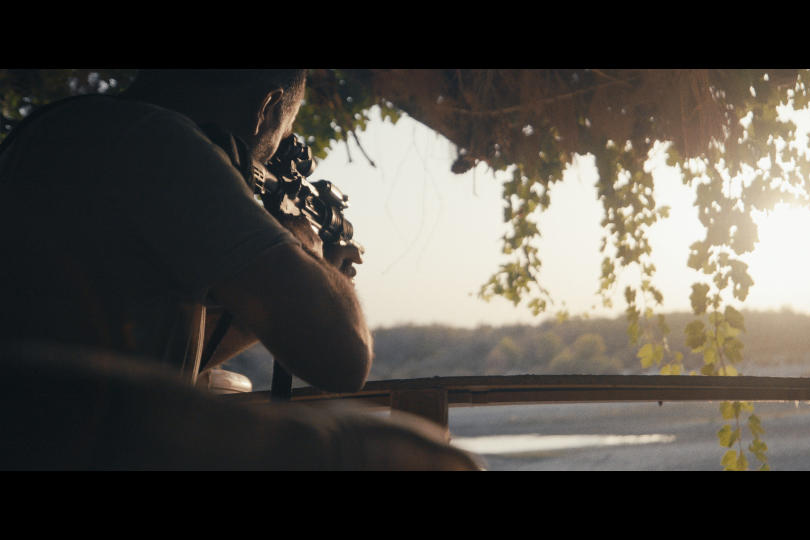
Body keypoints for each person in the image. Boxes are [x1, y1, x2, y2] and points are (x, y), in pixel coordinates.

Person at [0, 69, 481, 470]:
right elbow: (344, 357)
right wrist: (310, 263)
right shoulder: (168, 143)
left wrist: (277, 288)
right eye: (284, 134)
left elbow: (155, 356)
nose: (275, 152)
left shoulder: (56, 129)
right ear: (266, 105)